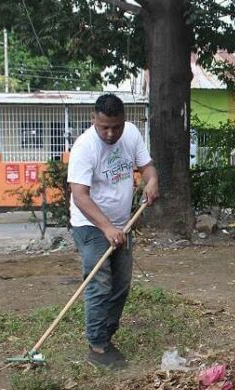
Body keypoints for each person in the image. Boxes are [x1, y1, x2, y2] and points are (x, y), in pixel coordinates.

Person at [68, 93, 159, 368]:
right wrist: (106, 227)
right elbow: (80, 195)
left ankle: (107, 337)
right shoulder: (84, 147)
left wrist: (152, 181)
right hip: (90, 225)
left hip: (122, 224)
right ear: (93, 119)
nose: (110, 133)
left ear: (124, 120)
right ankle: (97, 347)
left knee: (120, 284)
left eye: (116, 127)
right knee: (99, 283)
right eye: (104, 127)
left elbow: (147, 167)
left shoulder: (130, 134)